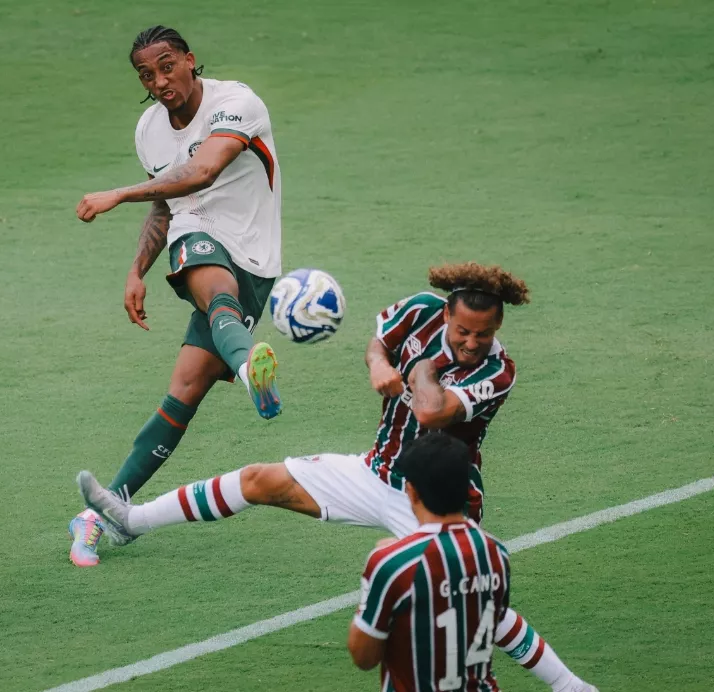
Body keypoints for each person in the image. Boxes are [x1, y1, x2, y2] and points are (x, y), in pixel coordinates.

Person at [76, 262, 527, 544]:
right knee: (258, 480)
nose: (472, 343)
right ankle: (130, 521)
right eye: (463, 331)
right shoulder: (421, 310)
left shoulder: (497, 371)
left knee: (466, 608)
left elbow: (431, 411)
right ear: (446, 313)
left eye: (483, 334)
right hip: (376, 473)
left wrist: (420, 368)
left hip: (440, 503)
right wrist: (377, 364)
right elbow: (379, 345)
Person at [68, 25, 285, 567]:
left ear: (190, 60)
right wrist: (135, 270)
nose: (160, 81)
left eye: (167, 66)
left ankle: (106, 512)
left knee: (185, 390)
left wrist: (119, 192)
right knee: (214, 285)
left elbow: (201, 170)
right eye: (147, 74)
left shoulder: (236, 103)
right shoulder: (149, 129)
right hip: (197, 236)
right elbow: (167, 206)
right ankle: (250, 370)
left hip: (255, 256)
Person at [347, 432, 599, 692]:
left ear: (411, 492)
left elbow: (364, 657)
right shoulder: (495, 553)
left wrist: (375, 583)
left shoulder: (392, 565)